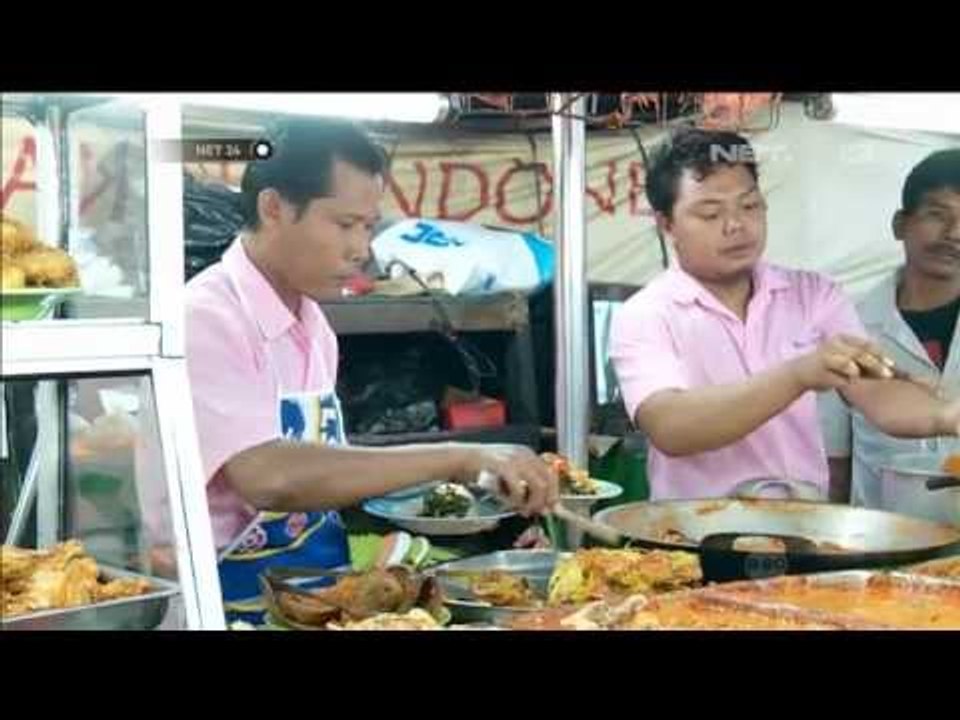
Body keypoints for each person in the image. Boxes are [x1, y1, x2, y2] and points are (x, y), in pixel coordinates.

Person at [184, 119, 557, 622]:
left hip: (313, 600)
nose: (362, 250)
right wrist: (458, 456)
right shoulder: (207, 317)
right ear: (274, 208)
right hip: (222, 607)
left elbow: (328, 474)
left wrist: (484, 511)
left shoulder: (312, 325)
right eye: (345, 224)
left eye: (367, 226)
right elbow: (268, 476)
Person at [609, 128, 960, 503]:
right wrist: (797, 375)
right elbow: (670, 426)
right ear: (666, 224)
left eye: (749, 206)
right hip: (694, 530)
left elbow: (877, 392)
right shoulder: (647, 314)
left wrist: (947, 417)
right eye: (711, 213)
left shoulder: (814, 295)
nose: (735, 225)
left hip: (801, 526)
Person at [821, 149, 960, 507]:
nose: (954, 233)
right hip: (883, 536)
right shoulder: (847, 327)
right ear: (900, 224)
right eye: (937, 214)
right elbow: (834, 467)